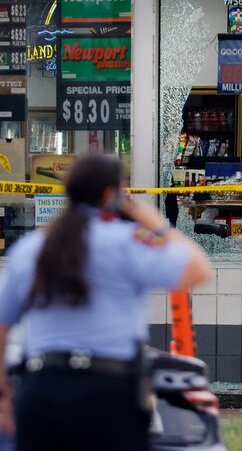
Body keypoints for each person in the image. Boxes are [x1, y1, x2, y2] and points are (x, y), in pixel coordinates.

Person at [0, 155, 212, 451]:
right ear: (111, 195)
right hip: (107, 391)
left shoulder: (32, 247)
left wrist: (4, 396)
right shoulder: (127, 241)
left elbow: (3, 326)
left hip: (41, 390)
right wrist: (158, 224)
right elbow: (199, 270)